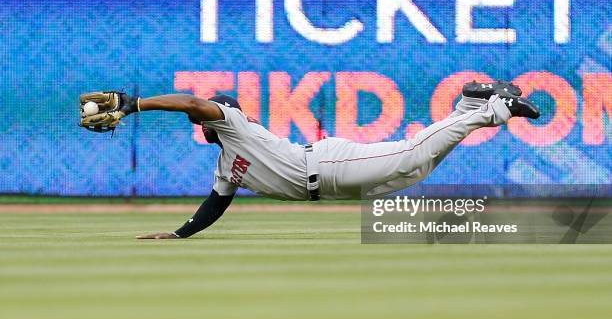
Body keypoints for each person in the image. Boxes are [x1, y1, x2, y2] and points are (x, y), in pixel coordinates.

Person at [79, 81, 539, 239]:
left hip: (329, 166)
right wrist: (179, 234)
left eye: (205, 118)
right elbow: (215, 205)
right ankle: (466, 106)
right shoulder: (227, 163)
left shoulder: (233, 123)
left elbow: (192, 104)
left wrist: (135, 104)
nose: (200, 123)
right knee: (417, 167)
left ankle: (494, 109)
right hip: (337, 185)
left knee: (414, 152)